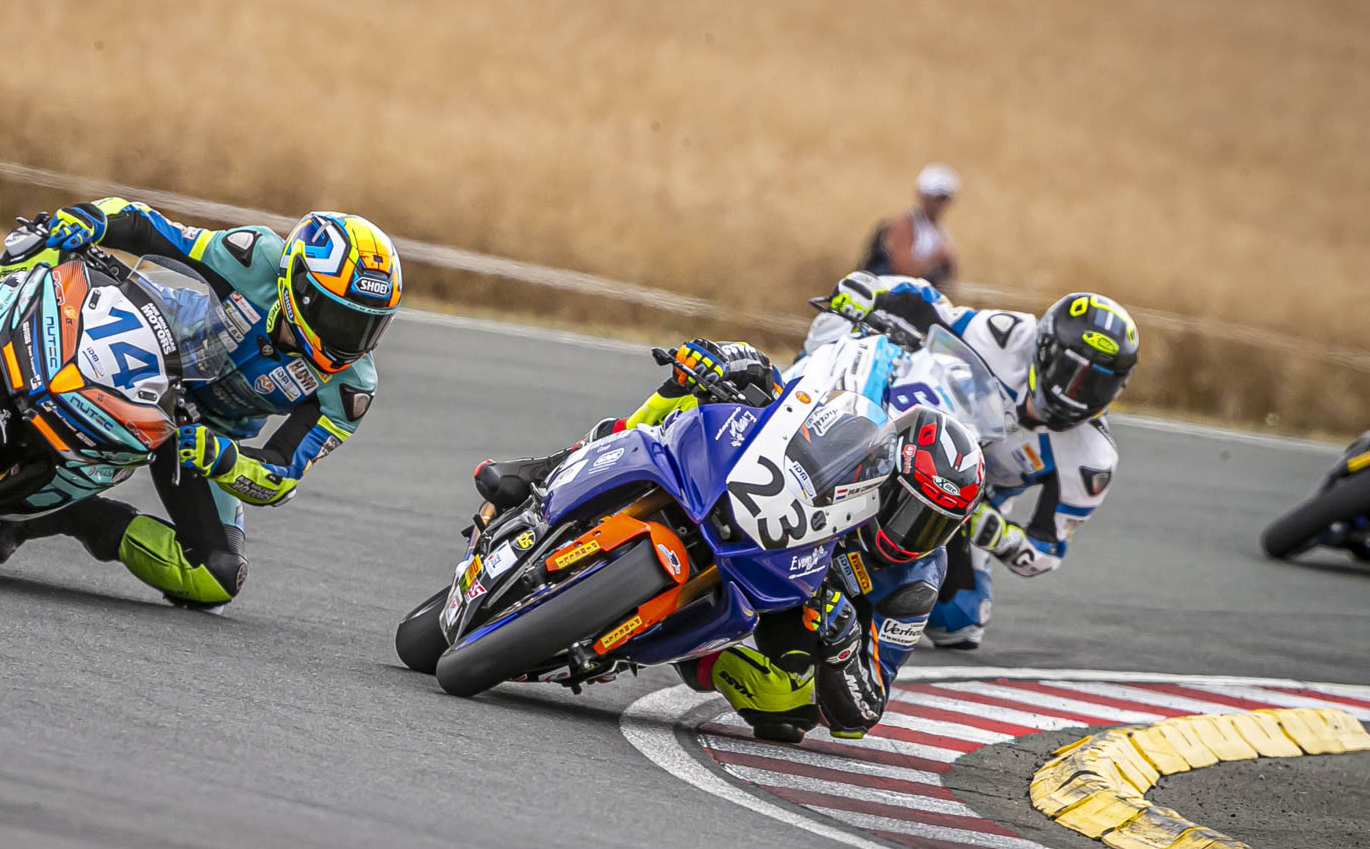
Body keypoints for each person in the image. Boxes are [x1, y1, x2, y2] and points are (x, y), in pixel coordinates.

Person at [0, 198, 402, 607]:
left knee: (216, 577)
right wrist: (91, 219)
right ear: (298, 285)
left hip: (193, 435)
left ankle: (70, 516)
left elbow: (282, 473)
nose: (350, 337)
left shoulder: (349, 389)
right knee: (47, 247)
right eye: (340, 316)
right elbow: (152, 229)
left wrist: (223, 458)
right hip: (146, 340)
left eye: (368, 325)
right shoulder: (255, 256)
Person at [476, 339, 985, 743]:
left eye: (934, 524)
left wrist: (844, 639)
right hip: (757, 512)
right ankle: (552, 466)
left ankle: (692, 651)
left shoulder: (918, 582)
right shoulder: (855, 439)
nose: (911, 532)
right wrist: (733, 361)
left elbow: (863, 711)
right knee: (687, 396)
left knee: (790, 710)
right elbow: (786, 401)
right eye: (908, 508)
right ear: (886, 469)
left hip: (792, 604)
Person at [826, 271, 1140, 649]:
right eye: (1068, 372)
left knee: (960, 621)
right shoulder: (1005, 335)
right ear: (1043, 348)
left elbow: (1045, 552)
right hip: (909, 438)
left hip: (966, 507)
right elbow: (930, 304)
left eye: (1096, 385)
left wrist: (997, 532)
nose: (1075, 395)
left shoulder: (1093, 458)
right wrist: (872, 290)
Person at [860, 162, 960, 291]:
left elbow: (950, 281)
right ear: (922, 195)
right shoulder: (905, 224)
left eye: (944, 198)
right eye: (936, 198)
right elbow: (902, 270)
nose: (940, 204)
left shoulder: (942, 232)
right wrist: (936, 257)